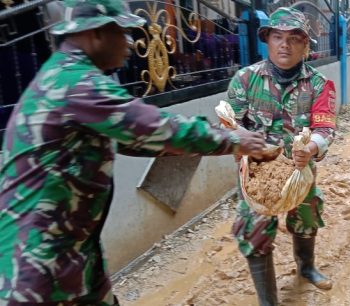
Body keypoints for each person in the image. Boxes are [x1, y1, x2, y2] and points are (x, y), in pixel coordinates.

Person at [0, 0, 267, 304]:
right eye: (123, 32)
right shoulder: (75, 84)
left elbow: (134, 140)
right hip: (38, 264)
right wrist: (235, 140)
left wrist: (226, 140)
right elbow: (155, 128)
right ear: (97, 34)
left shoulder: (68, 76)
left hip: (72, 251)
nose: (130, 43)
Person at [228, 7, 337, 306]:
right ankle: (268, 300)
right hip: (257, 176)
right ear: (267, 40)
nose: (284, 45)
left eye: (293, 38)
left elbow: (325, 127)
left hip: (300, 171)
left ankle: (306, 267)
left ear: (305, 45)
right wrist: (244, 145)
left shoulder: (318, 84)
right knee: (255, 231)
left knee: (306, 216)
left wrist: (311, 147)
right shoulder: (245, 80)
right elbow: (229, 125)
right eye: (277, 37)